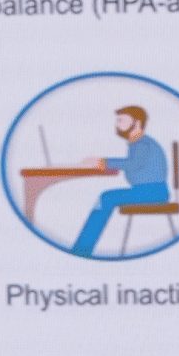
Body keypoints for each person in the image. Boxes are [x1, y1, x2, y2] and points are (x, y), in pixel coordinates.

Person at [71, 106, 169, 258]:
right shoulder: (137, 143)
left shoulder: (143, 143)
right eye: (117, 121)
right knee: (107, 197)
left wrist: (102, 162)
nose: (117, 125)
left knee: (107, 197)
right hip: (146, 191)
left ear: (137, 123)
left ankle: (82, 249)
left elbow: (133, 164)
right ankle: (82, 248)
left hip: (153, 192)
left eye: (121, 121)